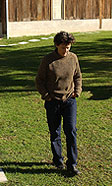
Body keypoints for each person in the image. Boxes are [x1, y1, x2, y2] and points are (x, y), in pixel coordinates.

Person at [36, 31, 82, 175]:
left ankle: (72, 164)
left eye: (68, 47)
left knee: (71, 131)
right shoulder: (48, 60)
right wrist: (46, 95)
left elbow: (77, 76)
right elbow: (39, 80)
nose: (66, 50)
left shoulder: (73, 58)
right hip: (53, 102)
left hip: (69, 100)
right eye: (63, 48)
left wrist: (77, 91)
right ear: (56, 45)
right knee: (55, 132)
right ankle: (58, 159)